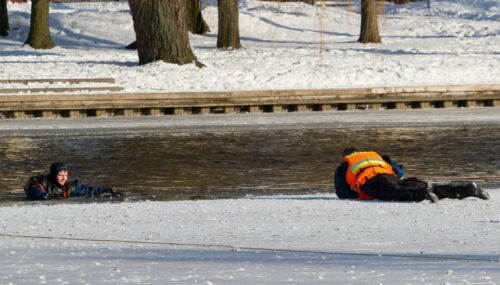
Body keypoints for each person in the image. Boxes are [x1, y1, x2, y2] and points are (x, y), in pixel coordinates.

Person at [334, 147, 489, 202]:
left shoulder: (344, 164)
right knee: (409, 186)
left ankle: (424, 193)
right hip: (388, 176)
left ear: (345, 156)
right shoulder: (376, 155)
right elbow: (400, 172)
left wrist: (357, 194)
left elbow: (342, 193)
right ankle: (465, 188)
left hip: (371, 182)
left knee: (398, 193)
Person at [24, 162, 123, 200]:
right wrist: (42, 195)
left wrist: (107, 191)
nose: (63, 178)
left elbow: (87, 190)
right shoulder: (43, 181)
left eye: (65, 175)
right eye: (60, 175)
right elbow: (34, 189)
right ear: (54, 175)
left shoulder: (69, 187)